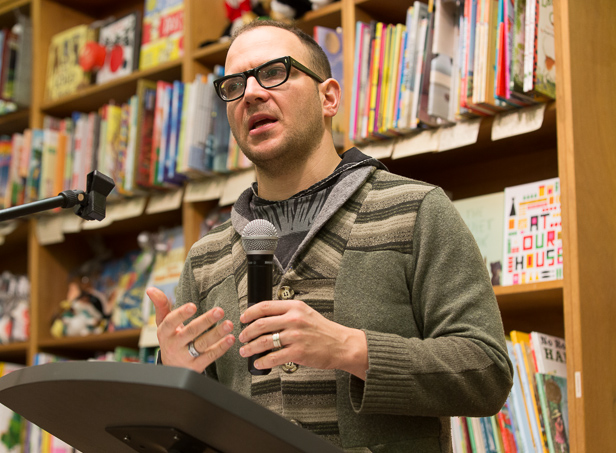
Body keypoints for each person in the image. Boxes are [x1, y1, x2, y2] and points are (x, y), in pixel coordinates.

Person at [147, 19, 514, 452]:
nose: (251, 93)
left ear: (329, 97)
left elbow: (487, 372)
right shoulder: (206, 258)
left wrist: (349, 348)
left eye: (273, 72)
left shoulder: (417, 210)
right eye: (234, 84)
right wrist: (173, 380)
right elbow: (185, 435)